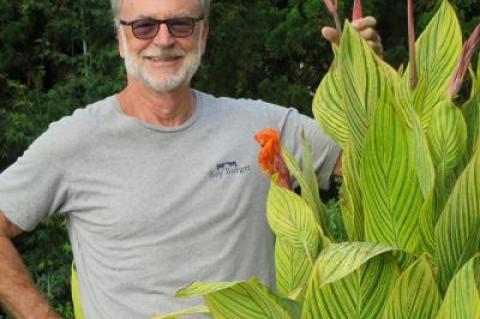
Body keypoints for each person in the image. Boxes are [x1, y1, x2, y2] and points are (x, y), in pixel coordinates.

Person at [0, 0, 382, 318]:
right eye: (144, 26)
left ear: (203, 34)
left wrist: (367, 77)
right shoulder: (75, 142)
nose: (164, 40)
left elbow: (373, 159)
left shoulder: (265, 126)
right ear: (120, 38)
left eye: (181, 24)